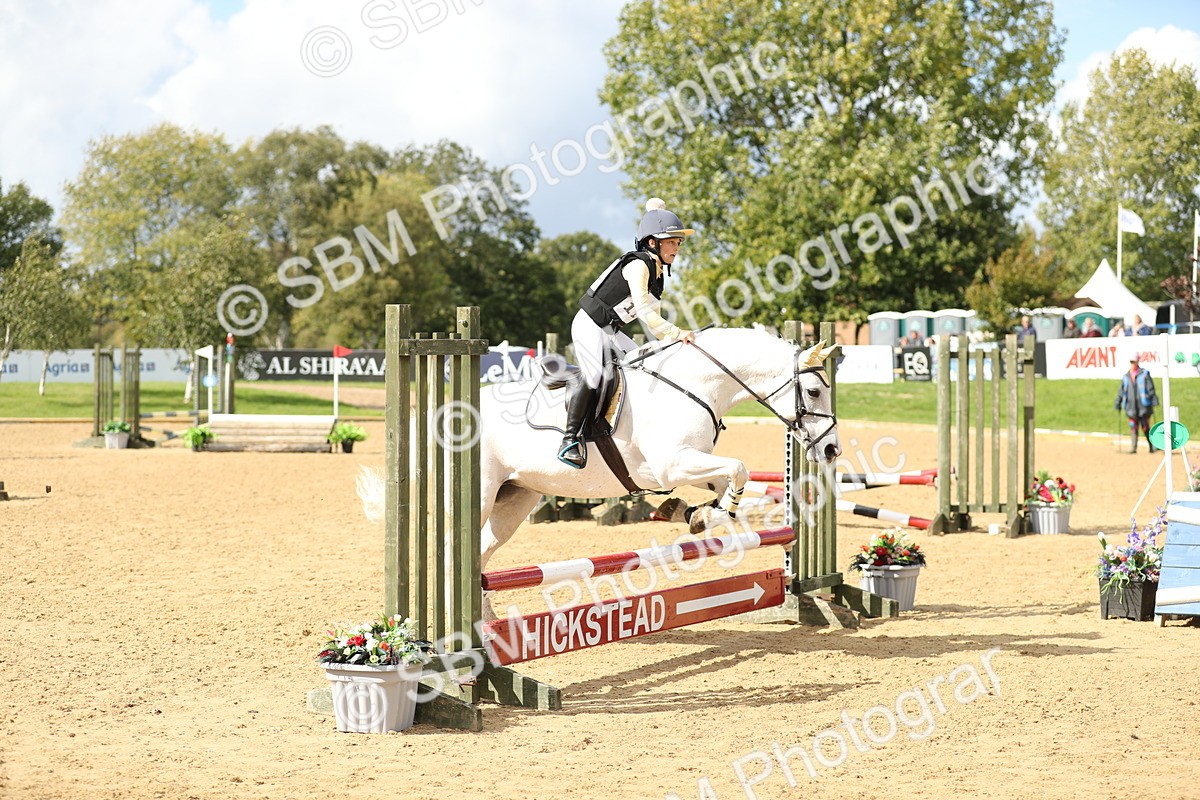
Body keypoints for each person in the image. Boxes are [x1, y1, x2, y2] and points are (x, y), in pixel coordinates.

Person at [557, 198, 696, 468]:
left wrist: (674, 344)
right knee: (596, 374)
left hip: (610, 330)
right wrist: (678, 332)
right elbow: (646, 314)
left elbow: (654, 325)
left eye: (678, 242)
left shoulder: (658, 275)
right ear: (652, 243)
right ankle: (569, 439)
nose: (677, 247)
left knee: (643, 365)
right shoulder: (638, 265)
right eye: (671, 241)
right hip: (589, 324)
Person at [1115, 356, 1159, 453]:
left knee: (1145, 427)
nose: (1133, 363)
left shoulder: (1144, 374)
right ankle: (1133, 448)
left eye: (1134, 361)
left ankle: (1152, 446)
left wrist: (1154, 398)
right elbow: (1121, 391)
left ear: (1138, 362)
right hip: (1131, 407)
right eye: (1131, 362)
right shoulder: (1126, 376)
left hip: (1143, 406)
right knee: (1133, 427)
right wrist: (1118, 401)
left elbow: (1150, 388)